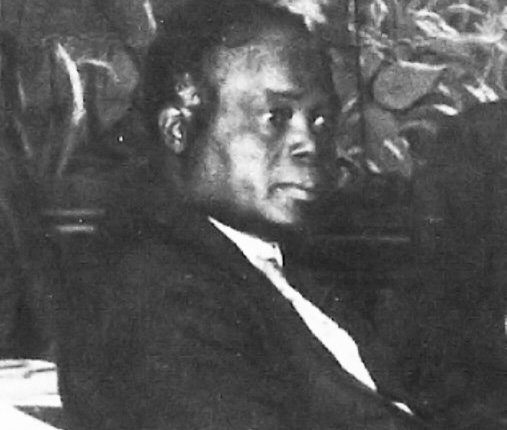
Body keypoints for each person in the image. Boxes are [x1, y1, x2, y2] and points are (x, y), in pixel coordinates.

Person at [53, 1, 433, 429]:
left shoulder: (275, 259)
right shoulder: (156, 291)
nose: (309, 144)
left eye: (321, 120)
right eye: (276, 117)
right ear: (179, 129)